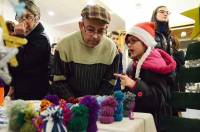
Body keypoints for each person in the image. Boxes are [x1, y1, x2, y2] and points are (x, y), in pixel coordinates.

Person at [114, 22, 176, 130]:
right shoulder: (133, 65)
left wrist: (134, 85)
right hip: (137, 120)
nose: (129, 45)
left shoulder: (156, 65)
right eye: (128, 42)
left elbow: (159, 100)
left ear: (145, 42)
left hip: (154, 123)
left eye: (133, 41)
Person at [51, 4, 119, 98]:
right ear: (81, 25)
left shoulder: (112, 49)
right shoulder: (64, 45)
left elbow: (110, 81)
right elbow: (59, 80)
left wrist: (95, 100)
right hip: (70, 104)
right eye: (90, 29)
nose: (95, 36)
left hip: (98, 104)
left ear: (106, 29)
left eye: (100, 31)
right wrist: (74, 101)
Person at [8, 0, 51, 100]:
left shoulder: (41, 39)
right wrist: (13, 85)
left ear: (36, 18)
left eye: (28, 17)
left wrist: (18, 38)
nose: (23, 21)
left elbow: (19, 65)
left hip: (34, 95)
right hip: (22, 92)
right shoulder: (26, 37)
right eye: (20, 17)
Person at [151, 5, 185, 91]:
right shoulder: (150, 32)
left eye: (167, 13)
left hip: (169, 76)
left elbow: (169, 55)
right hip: (155, 77)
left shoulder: (169, 35)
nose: (165, 14)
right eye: (162, 12)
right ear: (155, 15)